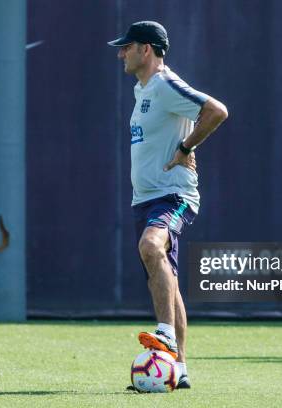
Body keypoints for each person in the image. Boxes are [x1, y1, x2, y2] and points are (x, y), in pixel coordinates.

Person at [108, 21, 228, 389]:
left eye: (127, 47)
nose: (120, 53)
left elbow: (216, 110)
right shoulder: (142, 89)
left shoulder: (163, 84)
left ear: (147, 49)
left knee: (150, 246)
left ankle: (166, 336)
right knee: (166, 280)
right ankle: (180, 369)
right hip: (144, 198)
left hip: (173, 195)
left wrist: (186, 147)